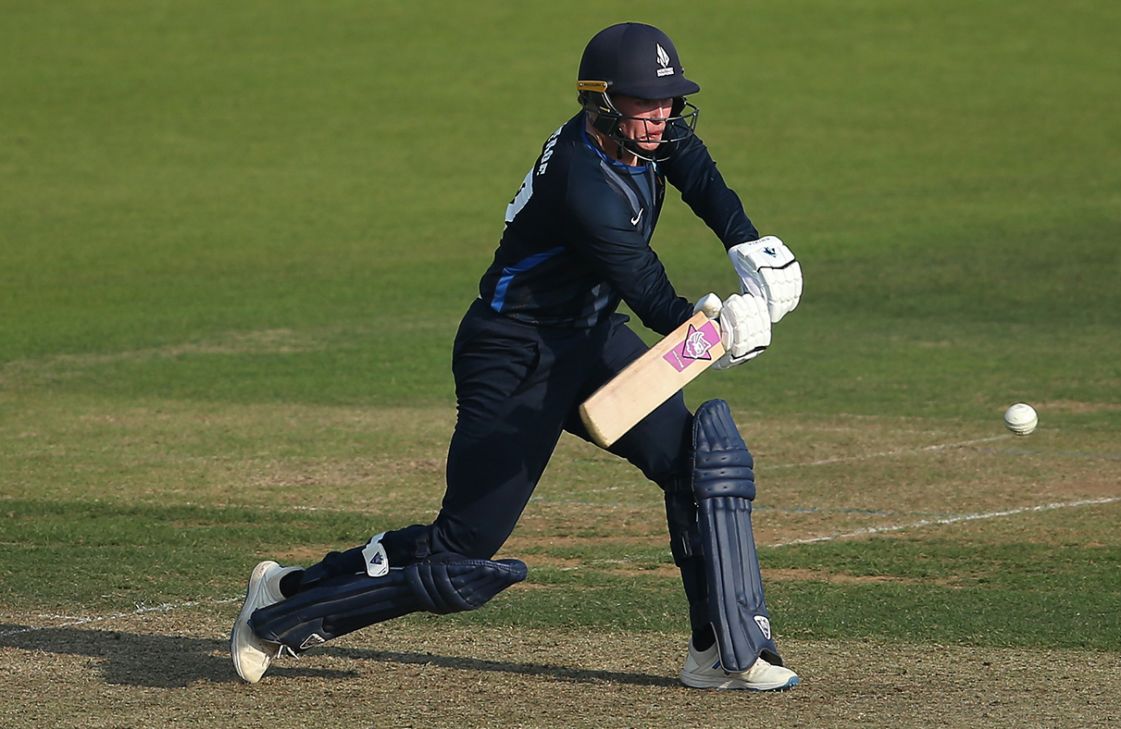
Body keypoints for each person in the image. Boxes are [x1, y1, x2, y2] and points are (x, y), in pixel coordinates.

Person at [230, 21, 803, 691]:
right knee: (460, 548)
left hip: (589, 341)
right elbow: (648, 292)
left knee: (695, 464)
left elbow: (695, 168)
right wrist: (722, 329)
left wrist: (749, 244)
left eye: (668, 99)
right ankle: (285, 595)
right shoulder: (583, 185)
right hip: (514, 360)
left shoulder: (636, 134)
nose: (662, 116)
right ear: (604, 104)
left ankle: (717, 648)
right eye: (646, 103)